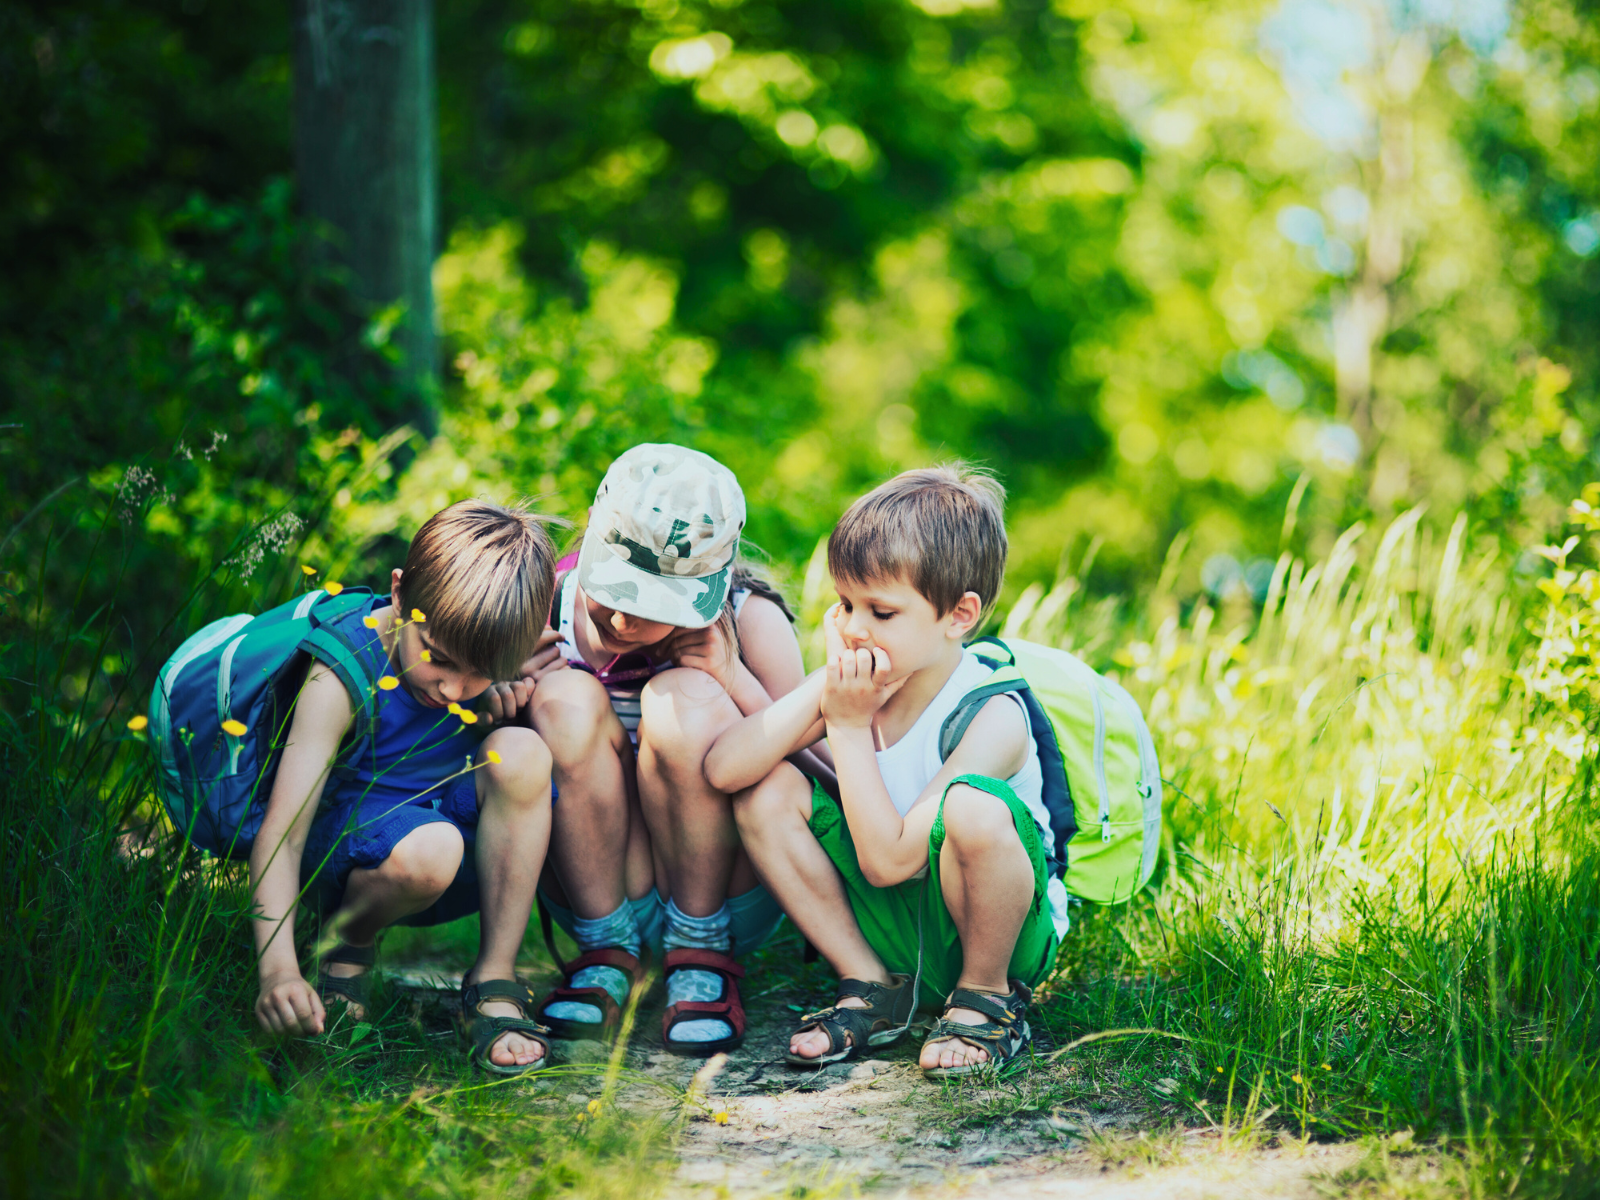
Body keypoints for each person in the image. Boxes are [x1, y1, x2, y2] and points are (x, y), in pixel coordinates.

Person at [705, 465, 1071, 1078]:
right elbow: (724, 770)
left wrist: (846, 726)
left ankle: (985, 1002)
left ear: (958, 615)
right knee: (764, 790)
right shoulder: (858, 680)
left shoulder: (993, 713)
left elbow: (890, 860)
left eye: (881, 611)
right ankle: (872, 985)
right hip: (891, 924)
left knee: (972, 808)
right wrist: (823, 691)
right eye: (845, 604)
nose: (852, 628)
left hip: (990, 933)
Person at [523, 443, 822, 1055]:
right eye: (617, 593)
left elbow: (813, 768)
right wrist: (507, 690)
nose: (626, 623)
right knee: (562, 698)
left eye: (651, 606)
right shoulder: (543, 606)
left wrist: (732, 678)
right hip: (597, 885)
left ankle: (701, 951)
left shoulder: (750, 619)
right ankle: (605, 947)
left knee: (682, 696)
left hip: (725, 893)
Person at [250, 499, 563, 1076]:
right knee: (433, 848)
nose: (453, 689)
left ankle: (493, 978)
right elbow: (282, 835)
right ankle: (346, 944)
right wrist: (277, 973)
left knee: (524, 752)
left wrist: (496, 709)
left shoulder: (473, 661)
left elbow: (477, 708)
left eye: (479, 673)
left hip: (439, 831)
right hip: (346, 851)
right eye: (438, 659)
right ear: (399, 592)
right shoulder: (342, 672)